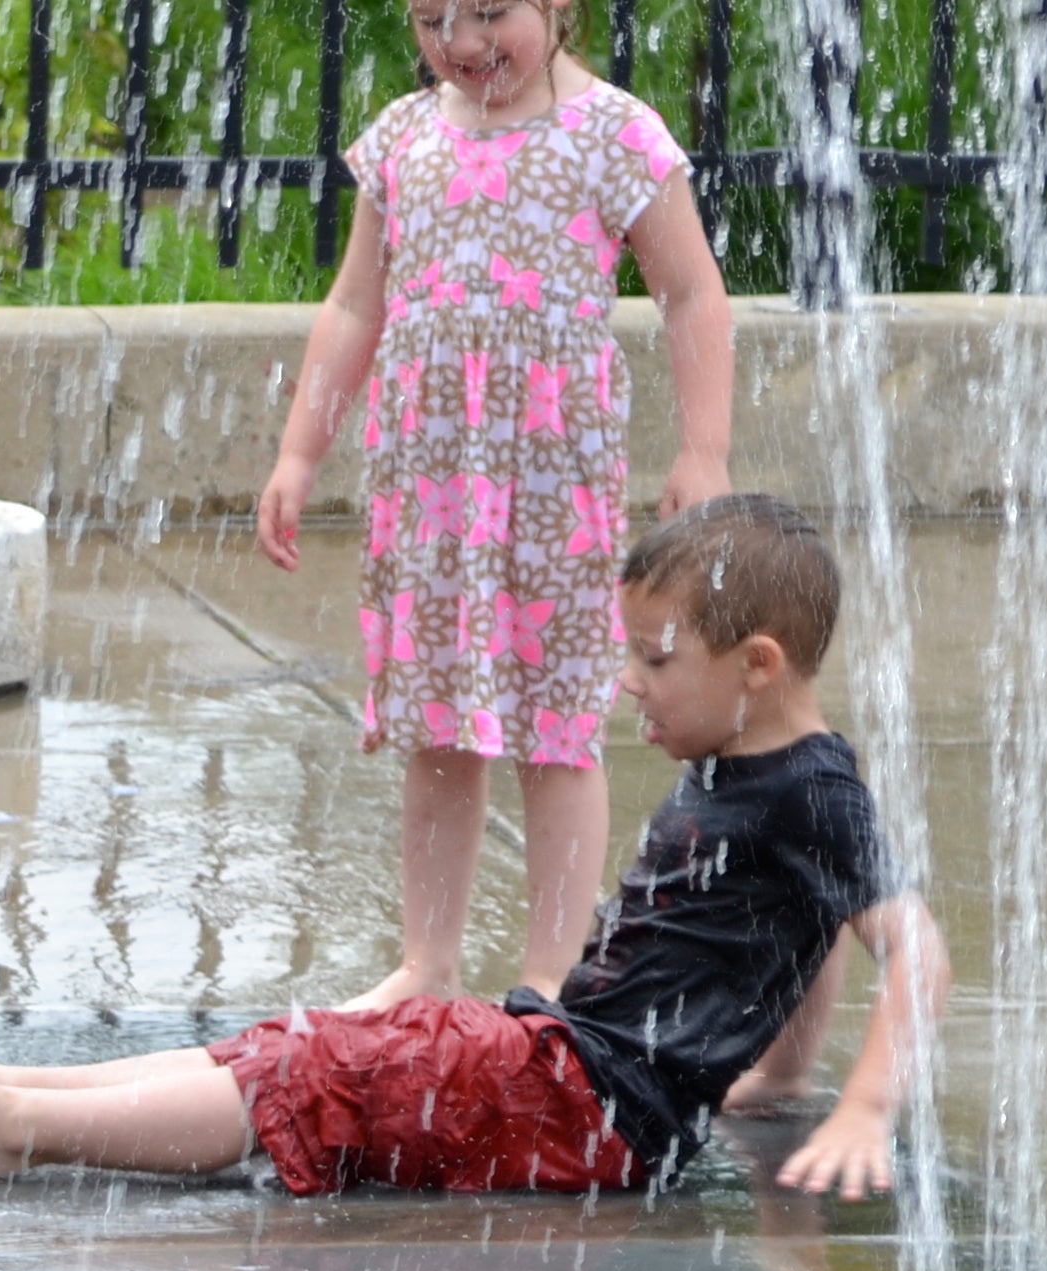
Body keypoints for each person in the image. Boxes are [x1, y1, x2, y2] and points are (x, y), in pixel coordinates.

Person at [0, 493, 940, 1204]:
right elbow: (826, 922)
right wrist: (772, 1077)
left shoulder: (812, 790)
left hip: (594, 1112)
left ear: (757, 664)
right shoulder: (767, 769)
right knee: (316, 1041)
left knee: (328, 1068)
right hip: (574, 1074)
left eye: (655, 659)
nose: (629, 681)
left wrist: (863, 1109)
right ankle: (23, 1092)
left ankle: (18, 1127)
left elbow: (915, 954)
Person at [253, 0, 732, 1007]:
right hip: (429, 490)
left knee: (555, 732)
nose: (463, 43)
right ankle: (427, 965)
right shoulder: (403, 137)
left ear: (558, 5)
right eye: (432, 19)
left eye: (489, 13)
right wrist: (301, 450)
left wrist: (703, 448)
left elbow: (690, 290)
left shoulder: (614, 135)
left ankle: (550, 973)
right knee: (438, 731)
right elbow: (355, 303)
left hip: (552, 492)